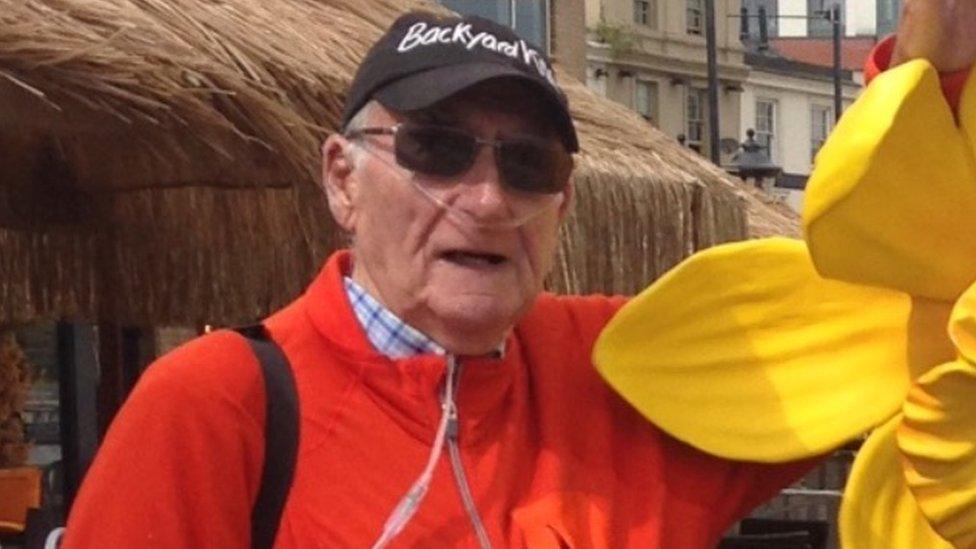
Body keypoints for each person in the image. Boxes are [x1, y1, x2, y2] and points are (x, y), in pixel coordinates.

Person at [62, 12, 819, 548]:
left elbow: (881, 320)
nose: (488, 199)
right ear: (341, 180)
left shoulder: (626, 366)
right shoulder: (215, 406)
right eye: (436, 148)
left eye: (528, 165)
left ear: (563, 202)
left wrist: (933, 64)